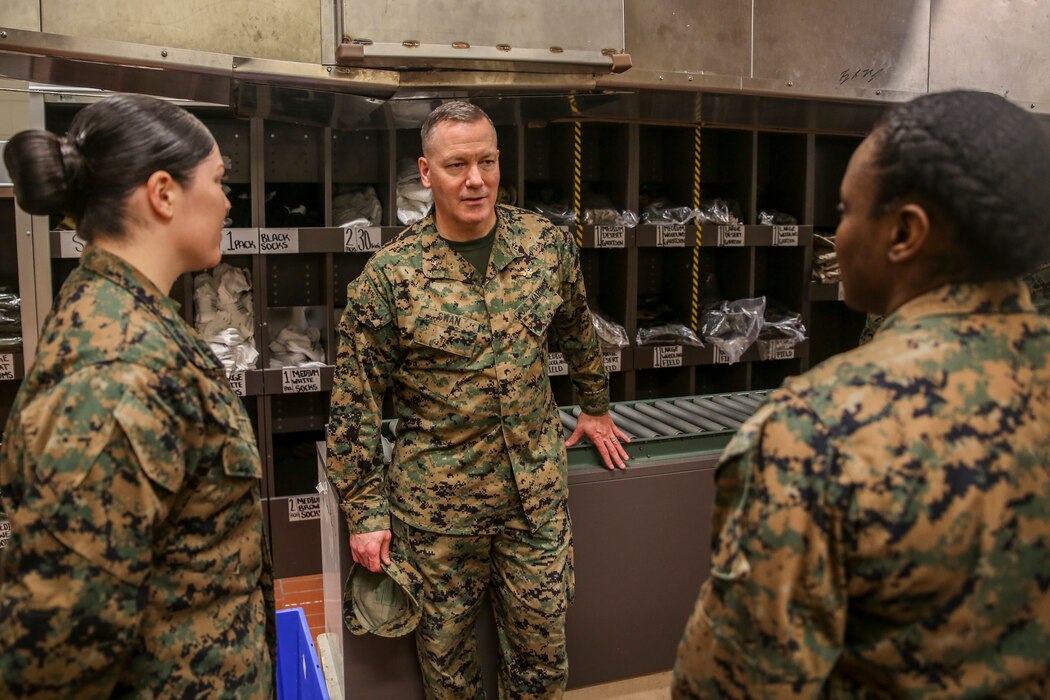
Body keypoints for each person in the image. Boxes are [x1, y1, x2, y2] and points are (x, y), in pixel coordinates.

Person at [674, 90, 1050, 698]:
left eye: (846, 211)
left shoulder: (817, 431)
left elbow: (735, 685)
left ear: (904, 232)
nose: (837, 235)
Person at [327, 100, 629, 698]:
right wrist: (365, 513)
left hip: (534, 502)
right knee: (448, 670)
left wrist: (594, 404)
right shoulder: (390, 277)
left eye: (487, 161)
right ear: (425, 172)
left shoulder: (545, 246)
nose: (475, 180)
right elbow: (353, 404)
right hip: (437, 515)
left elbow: (577, 327)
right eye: (457, 164)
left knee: (542, 665)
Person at [0, 94, 273, 697]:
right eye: (219, 181)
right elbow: (59, 653)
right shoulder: (118, 369)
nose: (228, 201)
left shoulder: (136, 322)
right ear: (164, 193)